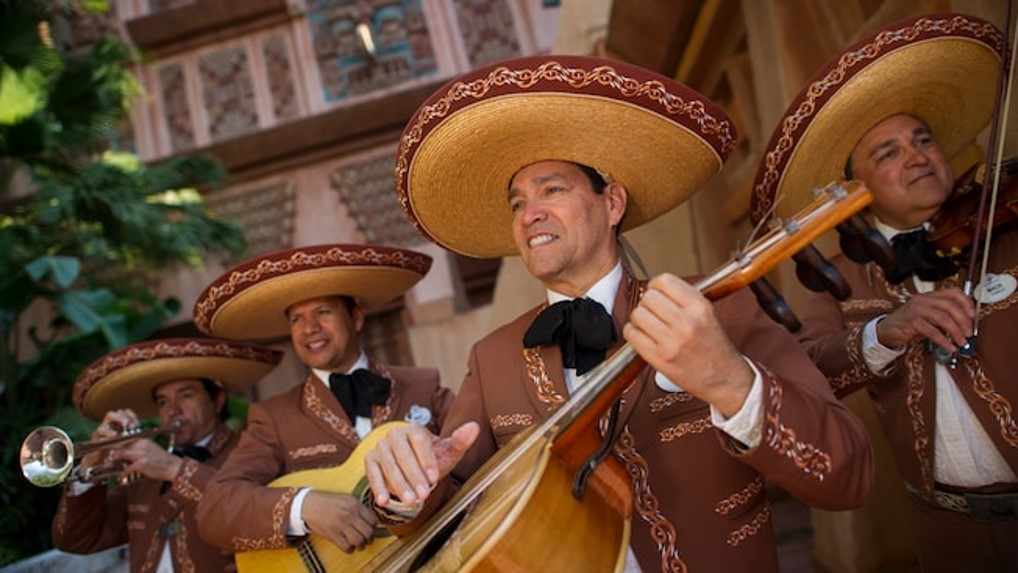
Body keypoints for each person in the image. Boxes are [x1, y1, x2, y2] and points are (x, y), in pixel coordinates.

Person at [361, 55, 875, 572]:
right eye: (517, 204)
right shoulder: (491, 358)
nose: (529, 213)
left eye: (552, 190)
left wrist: (731, 383)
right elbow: (443, 506)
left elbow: (848, 475)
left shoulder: (712, 307)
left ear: (612, 205)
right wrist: (407, 483)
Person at [750, 13, 1017, 572]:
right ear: (857, 190)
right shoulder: (840, 278)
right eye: (889, 153)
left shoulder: (1003, 224)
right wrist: (883, 333)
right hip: (946, 530)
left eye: (923, 140)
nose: (918, 155)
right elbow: (812, 367)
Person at [192, 243, 455, 561]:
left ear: (356, 317)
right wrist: (304, 507)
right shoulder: (274, 417)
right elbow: (214, 509)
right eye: (296, 319)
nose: (309, 329)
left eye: (323, 312)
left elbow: (471, 466)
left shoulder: (423, 385)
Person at [50, 337, 283, 572]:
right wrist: (91, 463)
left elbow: (264, 516)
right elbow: (75, 540)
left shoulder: (251, 451)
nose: (173, 410)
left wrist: (175, 469)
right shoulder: (143, 474)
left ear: (218, 401)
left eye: (186, 395)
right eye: (163, 402)